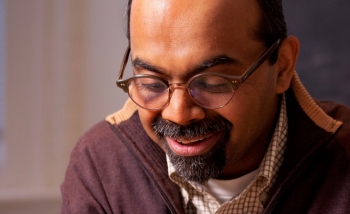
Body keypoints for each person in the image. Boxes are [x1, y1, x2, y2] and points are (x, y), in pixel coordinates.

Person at [61, 0, 350, 213]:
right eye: (151, 83)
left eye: (212, 82)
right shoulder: (100, 166)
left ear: (283, 66)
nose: (178, 114)